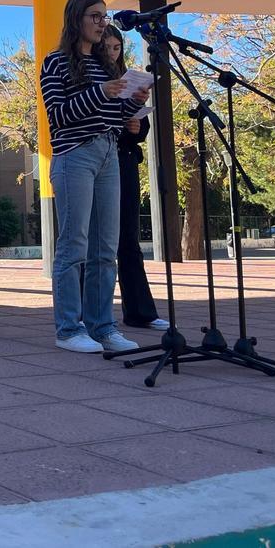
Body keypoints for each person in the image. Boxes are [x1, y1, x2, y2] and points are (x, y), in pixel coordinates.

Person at [40, 0, 150, 353]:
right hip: (75, 155)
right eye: (95, 16)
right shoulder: (55, 62)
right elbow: (58, 115)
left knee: (105, 247)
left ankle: (103, 327)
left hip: (108, 153)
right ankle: (69, 330)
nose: (102, 22)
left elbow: (113, 114)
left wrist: (135, 103)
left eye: (104, 16)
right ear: (76, 19)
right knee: (74, 246)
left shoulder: (106, 65)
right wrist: (99, 92)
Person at [102, 25, 169, 331]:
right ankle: (89, 315)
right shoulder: (89, 77)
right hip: (96, 159)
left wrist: (137, 128)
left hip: (125, 158)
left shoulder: (129, 79)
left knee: (128, 238)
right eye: (107, 47)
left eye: (117, 47)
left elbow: (141, 126)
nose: (112, 53)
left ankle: (141, 311)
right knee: (92, 242)